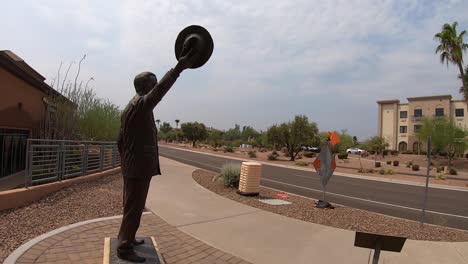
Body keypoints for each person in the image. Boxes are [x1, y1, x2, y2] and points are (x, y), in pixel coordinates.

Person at [116, 47, 197, 262]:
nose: (154, 87)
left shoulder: (131, 109)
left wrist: (126, 162)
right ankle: (124, 248)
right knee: (133, 208)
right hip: (137, 168)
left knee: (133, 206)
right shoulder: (141, 105)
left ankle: (129, 239)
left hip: (133, 166)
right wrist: (180, 67)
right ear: (145, 87)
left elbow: (120, 141)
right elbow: (162, 89)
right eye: (152, 84)